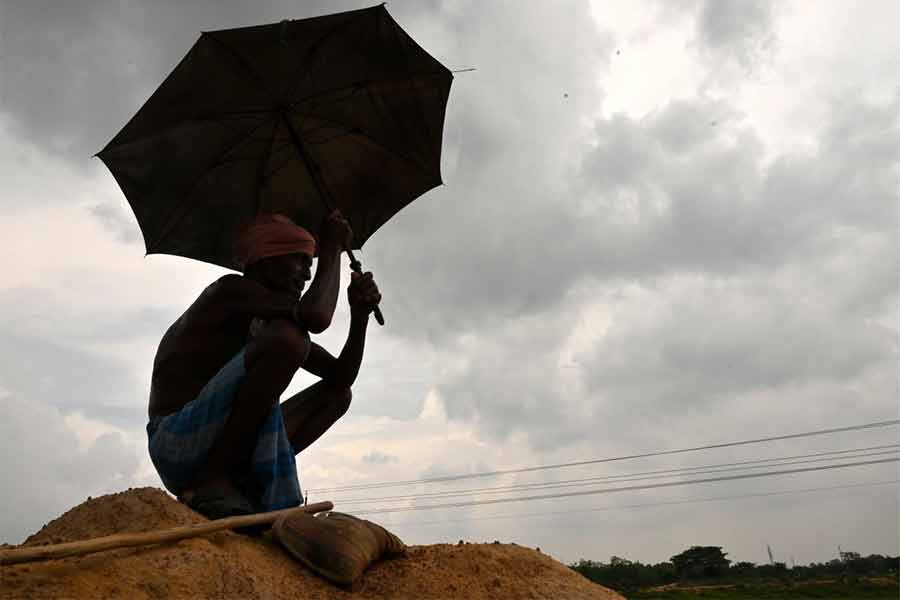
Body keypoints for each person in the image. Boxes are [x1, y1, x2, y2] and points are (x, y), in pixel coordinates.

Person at [145, 210, 381, 519]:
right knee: (289, 340)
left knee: (337, 395)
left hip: (214, 444)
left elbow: (341, 378)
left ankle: (240, 482)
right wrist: (332, 249)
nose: (306, 276)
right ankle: (211, 482)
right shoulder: (228, 293)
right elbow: (315, 318)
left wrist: (359, 318)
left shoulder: (271, 321)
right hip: (176, 444)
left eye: (310, 265)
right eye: (300, 261)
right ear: (265, 260)